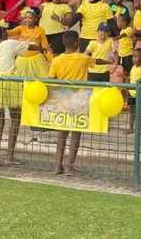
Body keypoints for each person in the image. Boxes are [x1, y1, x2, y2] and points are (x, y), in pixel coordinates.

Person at [0, 24, 38, 167]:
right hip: (10, 83)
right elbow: (30, 47)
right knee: (15, 119)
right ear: (4, 33)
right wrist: (42, 48)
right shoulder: (11, 43)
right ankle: (9, 156)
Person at [48, 31, 92, 176]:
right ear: (76, 43)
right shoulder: (84, 58)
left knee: (62, 133)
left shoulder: (56, 60)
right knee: (76, 134)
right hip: (79, 99)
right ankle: (69, 166)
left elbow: (51, 80)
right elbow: (97, 62)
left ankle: (57, 165)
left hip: (62, 99)